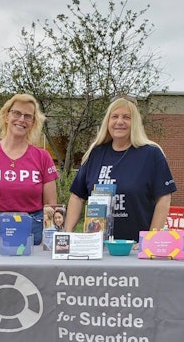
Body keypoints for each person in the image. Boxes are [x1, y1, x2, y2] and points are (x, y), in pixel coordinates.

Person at [64, 96, 177, 246]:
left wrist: (149, 241)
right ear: (108, 121)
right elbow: (77, 197)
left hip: (135, 249)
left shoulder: (151, 154)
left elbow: (164, 198)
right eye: (115, 116)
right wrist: (67, 234)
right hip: (97, 248)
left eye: (126, 117)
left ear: (135, 122)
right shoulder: (95, 154)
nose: (119, 122)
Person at [0, 93, 59, 247]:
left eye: (28, 116)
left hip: (34, 229)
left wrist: (47, 238)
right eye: (17, 113)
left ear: (33, 123)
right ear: (6, 116)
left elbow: (51, 204)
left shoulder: (43, 156)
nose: (21, 119)